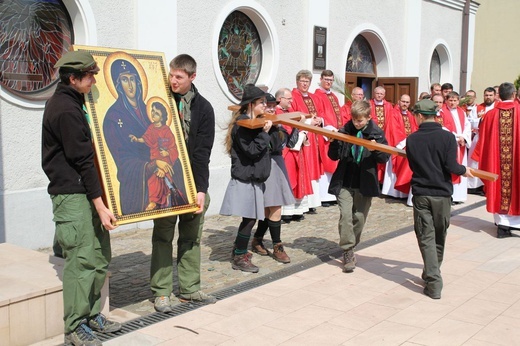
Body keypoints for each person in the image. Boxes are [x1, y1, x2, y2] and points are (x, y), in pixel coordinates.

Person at [42, 51, 121, 345]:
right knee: (82, 260)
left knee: (100, 256)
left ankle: (89, 315)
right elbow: (82, 160)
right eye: (89, 77)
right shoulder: (64, 109)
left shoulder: (78, 103)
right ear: (73, 79)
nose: (93, 81)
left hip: (88, 191)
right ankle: (74, 327)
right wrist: (100, 205)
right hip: (72, 195)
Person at [150, 54, 216, 313]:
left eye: (179, 76)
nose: (173, 80)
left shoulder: (204, 108)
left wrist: (201, 190)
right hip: (165, 182)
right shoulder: (159, 101)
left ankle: (189, 289)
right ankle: (162, 292)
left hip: (192, 182)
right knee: (162, 237)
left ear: (192, 77)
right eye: (171, 75)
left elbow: (203, 152)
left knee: (191, 238)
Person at [406, 99, 472, 299]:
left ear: (419, 116)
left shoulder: (412, 139)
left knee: (426, 237)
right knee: (439, 236)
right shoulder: (447, 138)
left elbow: (413, 165)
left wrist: (461, 170)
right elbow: (451, 166)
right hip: (442, 194)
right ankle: (433, 277)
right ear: (434, 115)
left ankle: (432, 276)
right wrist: (464, 171)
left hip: (421, 193)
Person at [328, 100, 390, 273]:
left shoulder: (376, 133)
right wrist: (334, 141)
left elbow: (384, 158)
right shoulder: (345, 130)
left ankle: (352, 244)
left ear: (369, 117)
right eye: (355, 120)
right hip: (345, 181)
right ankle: (347, 250)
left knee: (359, 217)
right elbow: (333, 156)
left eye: (360, 120)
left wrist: (376, 148)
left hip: (364, 182)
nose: (357, 123)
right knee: (346, 216)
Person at [220, 84, 273, 272]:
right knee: (249, 219)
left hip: (254, 178)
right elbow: (251, 151)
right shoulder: (242, 125)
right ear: (251, 104)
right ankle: (240, 255)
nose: (265, 106)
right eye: (261, 103)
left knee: (251, 218)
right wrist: (265, 134)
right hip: (245, 177)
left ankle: (238, 250)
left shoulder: (255, 122)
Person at [251, 92, 304, 264]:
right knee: (270, 207)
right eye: (268, 105)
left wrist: (297, 126)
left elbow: (288, 143)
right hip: (264, 163)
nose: (271, 108)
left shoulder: (278, 124)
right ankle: (271, 243)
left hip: (277, 162)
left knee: (273, 206)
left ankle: (264, 241)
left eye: (274, 105)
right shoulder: (258, 123)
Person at [103, 58, 152, 214]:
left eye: (132, 79)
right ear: (118, 85)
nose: (130, 85)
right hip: (135, 171)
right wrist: (147, 166)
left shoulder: (151, 110)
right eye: (125, 79)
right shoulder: (113, 116)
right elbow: (121, 158)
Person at [472, 82, 520, 238]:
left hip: (496, 164)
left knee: (498, 187)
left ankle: (502, 226)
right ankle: (515, 224)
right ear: (514, 95)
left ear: (499, 95)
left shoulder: (490, 115)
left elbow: (483, 141)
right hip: (516, 163)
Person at [129, 101, 188, 210]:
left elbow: (174, 147)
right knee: (152, 179)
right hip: (155, 159)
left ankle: (156, 200)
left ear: (162, 118)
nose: (153, 114)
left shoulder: (166, 130)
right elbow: (146, 138)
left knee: (158, 178)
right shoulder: (151, 128)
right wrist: (137, 139)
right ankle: (156, 200)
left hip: (166, 160)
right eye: (152, 111)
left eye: (156, 113)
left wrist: (168, 153)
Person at [290, 69, 324, 214]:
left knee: (314, 168)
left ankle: (313, 202)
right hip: (304, 138)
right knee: (306, 168)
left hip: (315, 137)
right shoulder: (293, 97)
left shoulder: (314, 97)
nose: (305, 84)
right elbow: (293, 116)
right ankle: (303, 204)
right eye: (302, 81)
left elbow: (322, 113)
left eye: (307, 81)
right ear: (297, 82)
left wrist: (320, 120)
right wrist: (310, 121)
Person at [276, 88, 312, 222]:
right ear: (280, 99)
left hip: (297, 150)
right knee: (288, 179)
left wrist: (303, 132)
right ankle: (286, 211)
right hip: (287, 152)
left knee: (297, 178)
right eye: (289, 99)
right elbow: (286, 137)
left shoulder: (290, 112)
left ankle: (297, 210)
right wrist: (299, 127)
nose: (292, 101)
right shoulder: (277, 113)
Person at [314, 69, 343, 206]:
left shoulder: (334, 97)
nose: (328, 82)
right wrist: (329, 130)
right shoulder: (317, 95)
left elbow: (338, 115)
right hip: (325, 135)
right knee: (326, 164)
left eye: (331, 80)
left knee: (335, 163)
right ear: (321, 79)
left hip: (335, 134)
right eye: (326, 80)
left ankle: (333, 194)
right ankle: (325, 196)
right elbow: (319, 115)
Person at [382, 94, 417, 198]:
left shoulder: (410, 115)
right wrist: (404, 142)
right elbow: (393, 130)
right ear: (398, 101)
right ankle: (393, 192)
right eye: (403, 101)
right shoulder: (393, 113)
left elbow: (414, 129)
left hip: (408, 145)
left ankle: (403, 192)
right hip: (397, 145)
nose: (405, 104)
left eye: (407, 102)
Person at [446, 91, 471, 204]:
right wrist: (457, 137)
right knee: (451, 168)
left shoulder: (462, 112)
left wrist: (464, 137)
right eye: (450, 100)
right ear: (446, 100)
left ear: (458, 101)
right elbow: (443, 127)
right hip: (451, 144)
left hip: (461, 145)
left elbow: (467, 125)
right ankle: (451, 195)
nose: (452, 103)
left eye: (455, 100)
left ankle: (458, 196)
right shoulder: (442, 112)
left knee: (461, 167)